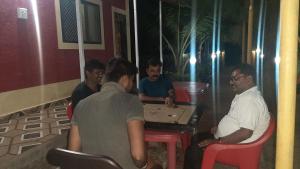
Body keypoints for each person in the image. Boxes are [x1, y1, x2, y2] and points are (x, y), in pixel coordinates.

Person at [68, 58, 161, 169]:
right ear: (126, 79)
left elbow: (73, 152)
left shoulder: (81, 105)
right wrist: (148, 164)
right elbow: (139, 158)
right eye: (132, 80)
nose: (132, 84)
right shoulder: (131, 101)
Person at [183, 64, 270, 169]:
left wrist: (217, 142)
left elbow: (246, 133)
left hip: (236, 148)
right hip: (229, 141)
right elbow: (238, 120)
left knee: (193, 152)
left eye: (235, 79)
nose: (231, 82)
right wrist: (219, 129)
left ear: (249, 79)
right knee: (195, 139)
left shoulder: (250, 100)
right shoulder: (246, 95)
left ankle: (200, 159)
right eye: (231, 79)